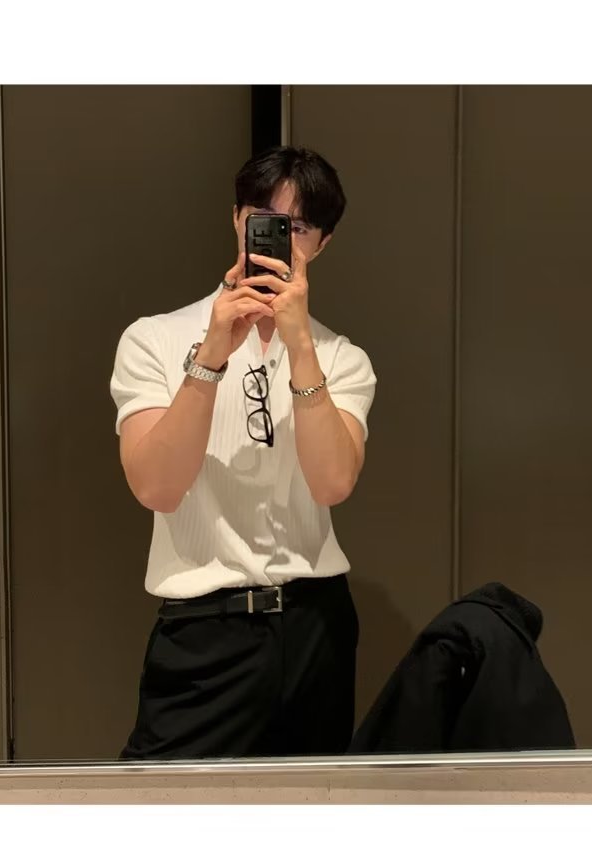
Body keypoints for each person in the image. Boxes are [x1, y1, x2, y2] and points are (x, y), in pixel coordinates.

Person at [110, 145, 376, 760]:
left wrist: (300, 344)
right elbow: (156, 487)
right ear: (237, 219)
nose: (280, 238)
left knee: (311, 805)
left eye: (298, 227)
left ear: (322, 244)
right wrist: (211, 356)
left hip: (315, 625)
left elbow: (332, 483)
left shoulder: (342, 359)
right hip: (202, 628)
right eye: (265, 218)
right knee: (166, 805)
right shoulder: (153, 339)